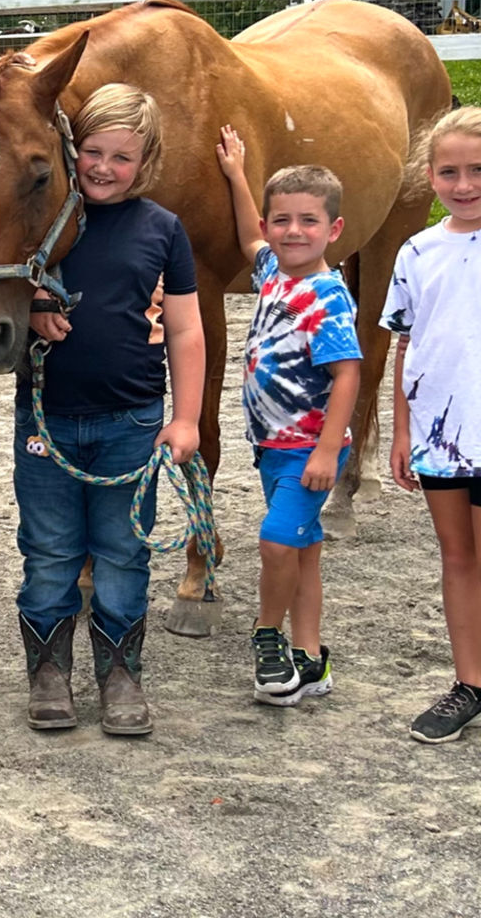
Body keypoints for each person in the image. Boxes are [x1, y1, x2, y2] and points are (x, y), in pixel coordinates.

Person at [21, 86, 203, 735]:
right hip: (47, 419)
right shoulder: (43, 221)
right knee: (48, 549)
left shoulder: (163, 229)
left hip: (131, 421)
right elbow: (1, 300)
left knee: (124, 551)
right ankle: (49, 673)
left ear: (146, 160)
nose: (102, 166)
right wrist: (32, 309)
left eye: (120, 157)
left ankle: (120, 674)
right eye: (92, 151)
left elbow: (185, 330)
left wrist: (184, 419)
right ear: (73, 152)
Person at [217, 129, 360, 707]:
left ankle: (266, 634)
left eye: (308, 221)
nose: (292, 231)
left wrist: (328, 451)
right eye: (283, 221)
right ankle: (311, 656)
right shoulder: (273, 272)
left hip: (309, 449)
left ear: (334, 230)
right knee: (303, 549)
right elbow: (252, 235)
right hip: (272, 447)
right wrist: (237, 176)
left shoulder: (327, 296)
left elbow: (347, 374)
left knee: (276, 542)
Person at [382, 105, 481, 742]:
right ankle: (468, 683)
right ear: (429, 175)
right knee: (458, 557)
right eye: (450, 171)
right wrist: (400, 431)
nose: (464, 184)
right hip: (441, 436)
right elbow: (404, 343)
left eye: (477, 170)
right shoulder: (417, 250)